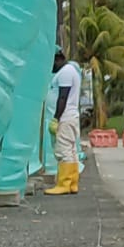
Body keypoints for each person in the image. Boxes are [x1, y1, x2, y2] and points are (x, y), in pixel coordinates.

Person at [45, 48, 82, 196]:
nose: (51, 67)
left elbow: (63, 97)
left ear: (57, 58)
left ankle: (64, 183)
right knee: (71, 151)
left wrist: (56, 118)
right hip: (70, 117)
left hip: (65, 118)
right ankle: (72, 183)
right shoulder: (70, 70)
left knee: (63, 150)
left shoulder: (66, 72)